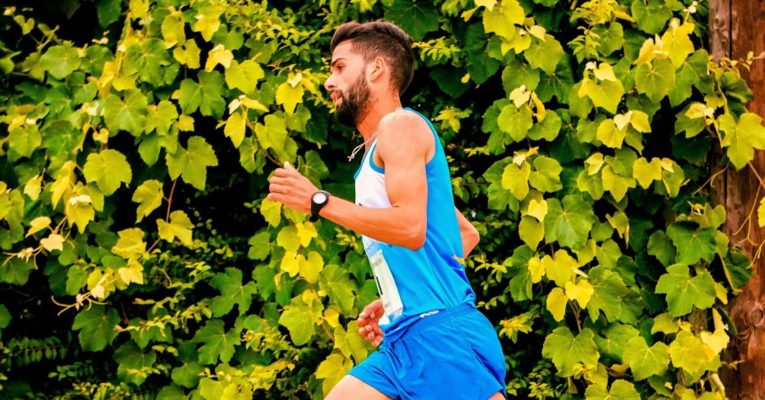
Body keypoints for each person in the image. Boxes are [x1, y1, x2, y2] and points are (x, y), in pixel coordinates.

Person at [267, 20, 506, 400]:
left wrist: (318, 201)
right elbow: (464, 234)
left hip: (439, 336)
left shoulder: (401, 126)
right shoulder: (379, 151)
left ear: (376, 69)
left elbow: (410, 228)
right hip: (403, 339)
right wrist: (400, 295)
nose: (329, 82)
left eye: (340, 67)